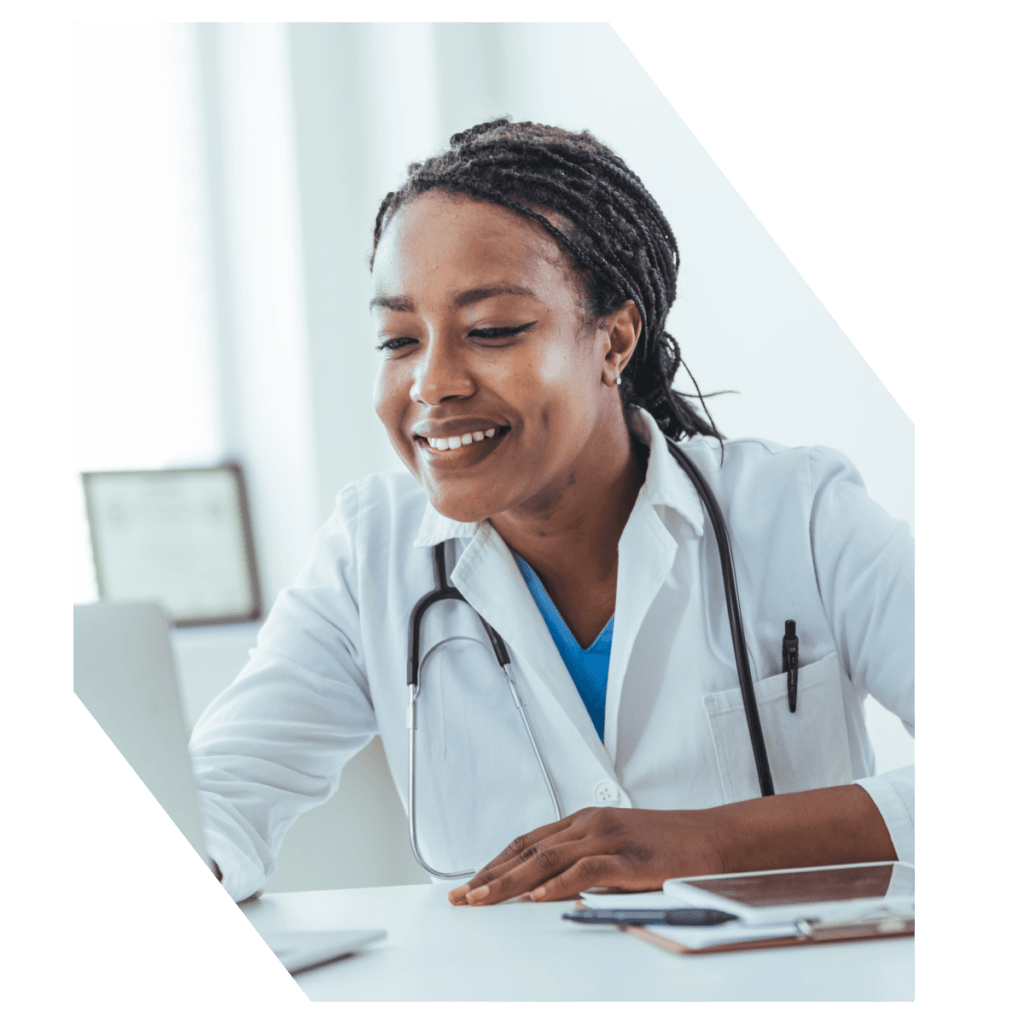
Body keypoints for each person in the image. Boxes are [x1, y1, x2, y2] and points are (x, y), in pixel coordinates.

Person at [190, 119, 914, 906]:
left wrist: (706, 840)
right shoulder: (371, 553)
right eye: (399, 340)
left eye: (492, 330)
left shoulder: (800, 515)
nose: (432, 384)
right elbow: (223, 791)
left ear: (614, 340)